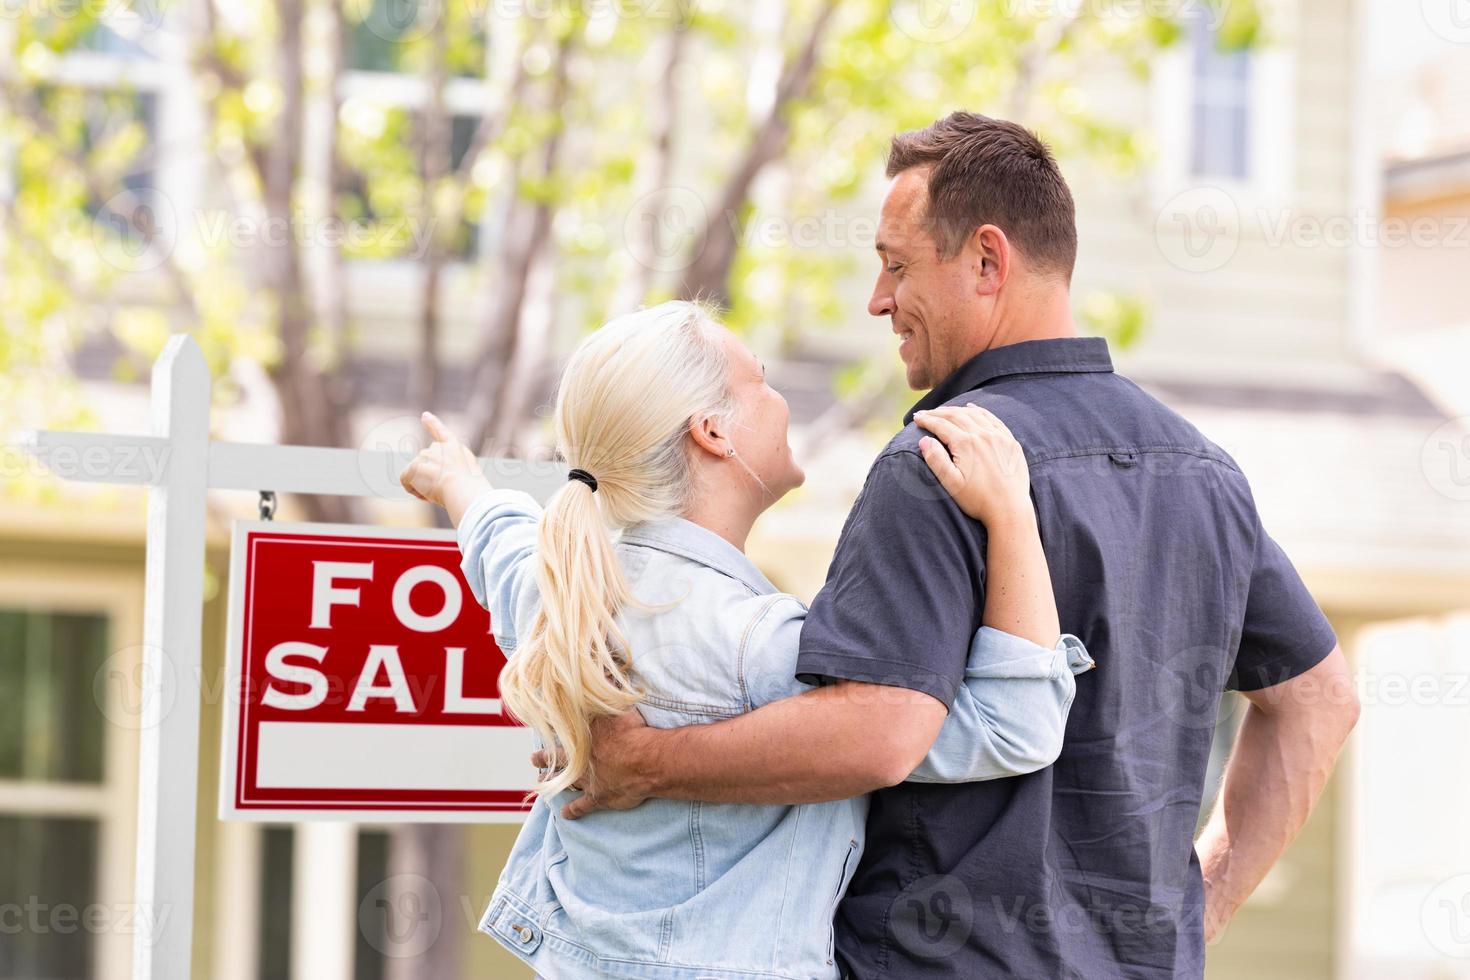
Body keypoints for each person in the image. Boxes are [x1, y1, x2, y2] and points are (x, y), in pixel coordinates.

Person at [548, 113, 1362, 978]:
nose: (878, 299)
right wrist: (1201, 909)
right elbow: (1320, 701)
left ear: (986, 260)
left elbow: (874, 733)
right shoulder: (1203, 473)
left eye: (896, 265)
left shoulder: (935, 461)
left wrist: (646, 762)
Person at [399, 300, 1094, 979]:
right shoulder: (758, 647)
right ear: (712, 431)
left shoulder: (560, 597)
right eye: (759, 379)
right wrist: (1009, 513)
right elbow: (1012, 724)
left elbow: (502, 542)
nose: (781, 398)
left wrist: (461, 482)